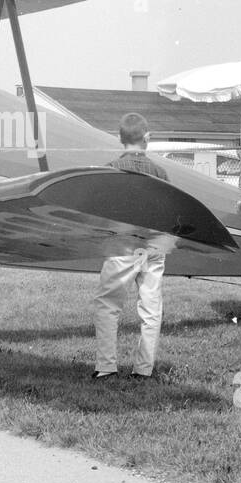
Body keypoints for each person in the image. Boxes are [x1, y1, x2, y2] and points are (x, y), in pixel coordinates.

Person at [91, 112, 170, 381]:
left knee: (108, 305)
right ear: (147, 138)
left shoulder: (109, 170)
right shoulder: (160, 173)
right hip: (152, 247)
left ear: (119, 138)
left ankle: (106, 367)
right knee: (151, 309)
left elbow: (101, 211)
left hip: (121, 246)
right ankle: (143, 369)